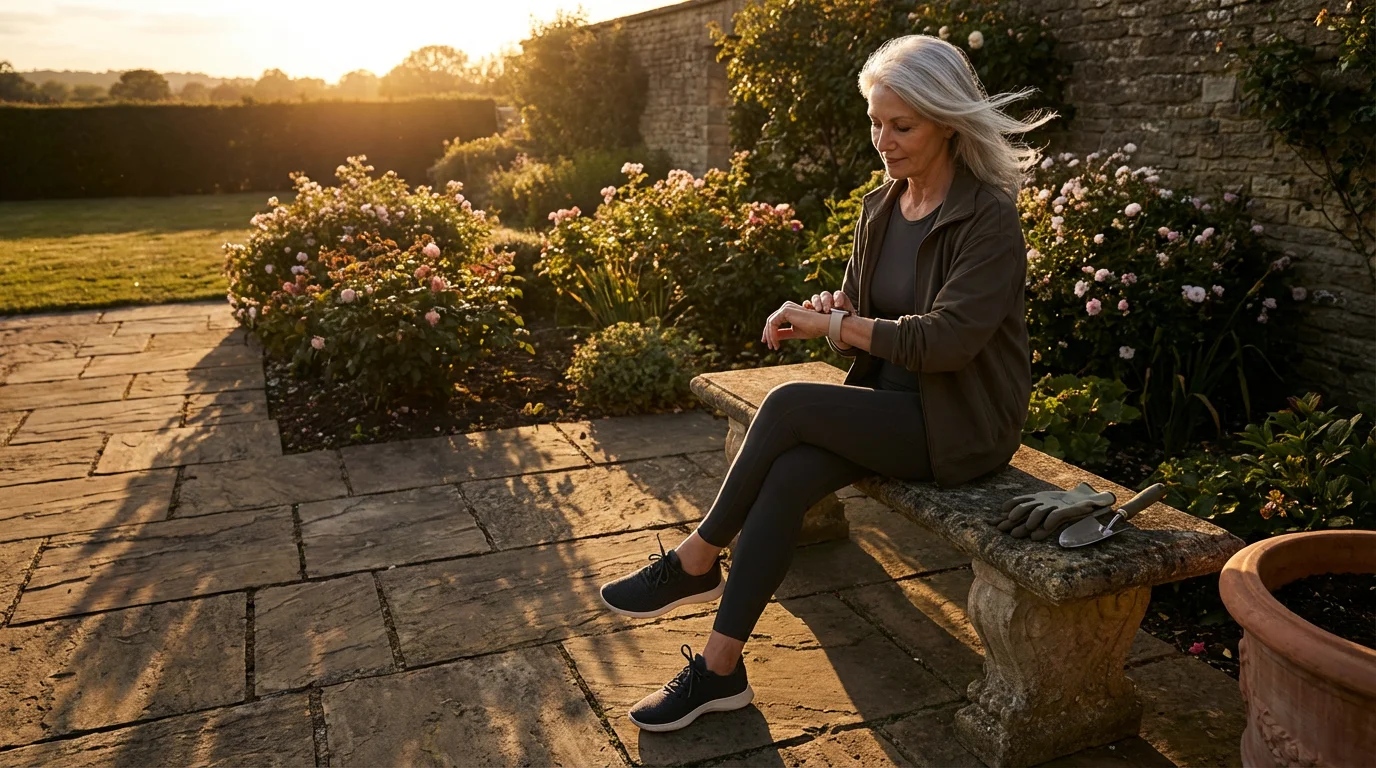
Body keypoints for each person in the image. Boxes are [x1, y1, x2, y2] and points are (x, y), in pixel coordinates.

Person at [598, 33, 1055, 733]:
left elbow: (949, 340)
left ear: (946, 121)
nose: (884, 140)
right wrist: (833, 312)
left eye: (901, 125)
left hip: (958, 424)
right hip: (891, 407)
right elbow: (864, 309)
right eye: (876, 121)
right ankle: (720, 671)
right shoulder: (881, 206)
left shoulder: (987, 217)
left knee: (786, 402)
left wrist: (837, 332)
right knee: (789, 477)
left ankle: (696, 558)